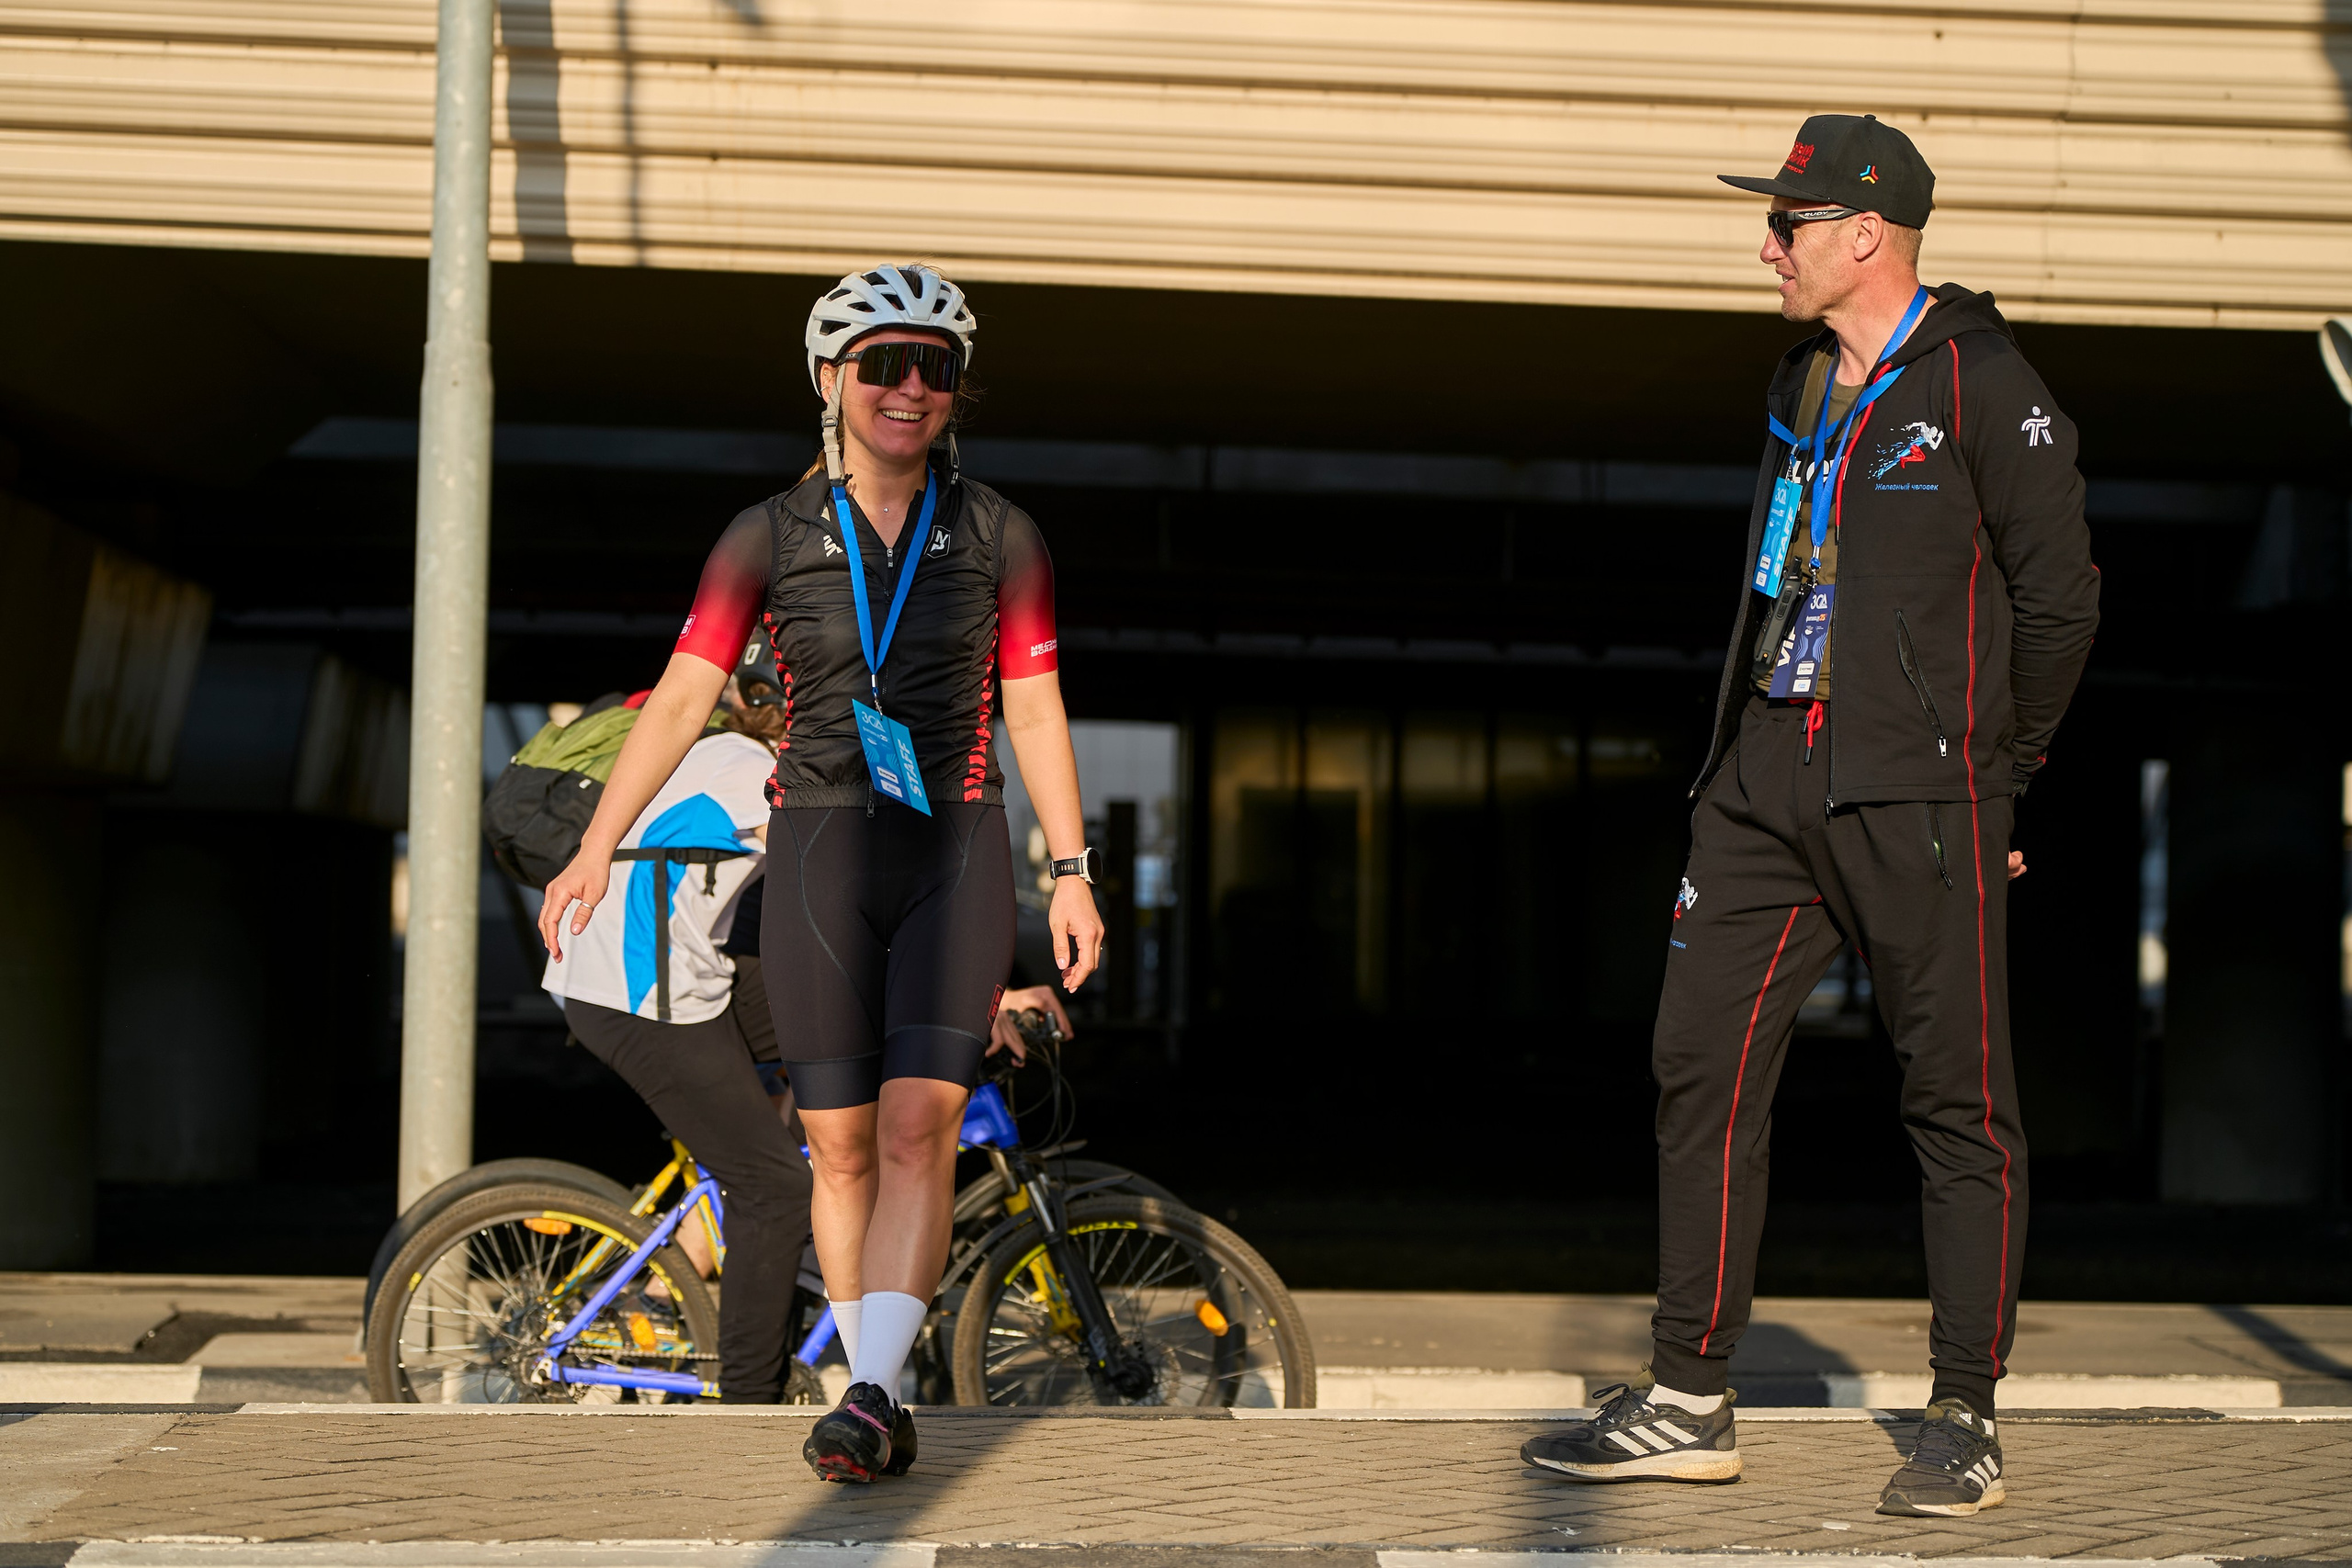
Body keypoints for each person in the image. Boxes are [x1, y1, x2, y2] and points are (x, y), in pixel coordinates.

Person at [1520, 116, 2098, 1517]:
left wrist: (1995, 767)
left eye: (1789, 221)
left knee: (1957, 1101)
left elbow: (2061, 598)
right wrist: (1735, 764)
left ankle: (1964, 1410)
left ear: (1866, 233)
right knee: (1696, 1064)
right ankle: (1689, 1393)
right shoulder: (1796, 382)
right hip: (1766, 775)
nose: (1766, 243)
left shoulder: (1983, 381)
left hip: (1922, 787)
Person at [538, 263, 1104, 1480]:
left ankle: (868, 1391)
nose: (908, 387)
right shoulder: (769, 535)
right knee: (840, 1144)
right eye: (880, 363)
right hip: (816, 855)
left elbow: (1041, 710)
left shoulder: (1004, 533)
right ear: (830, 380)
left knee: (922, 1123)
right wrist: (596, 842)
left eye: (934, 366)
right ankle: (874, 1391)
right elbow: (687, 695)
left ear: (956, 391)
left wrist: (1072, 868)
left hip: (955, 845)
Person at [537, 677, 815, 1404]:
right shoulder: (760, 776)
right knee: (776, 1187)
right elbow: (847, 897)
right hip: (639, 992)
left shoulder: (715, 750)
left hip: (662, 969)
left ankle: (719, 1234)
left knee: (821, 1041)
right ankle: (749, 1401)